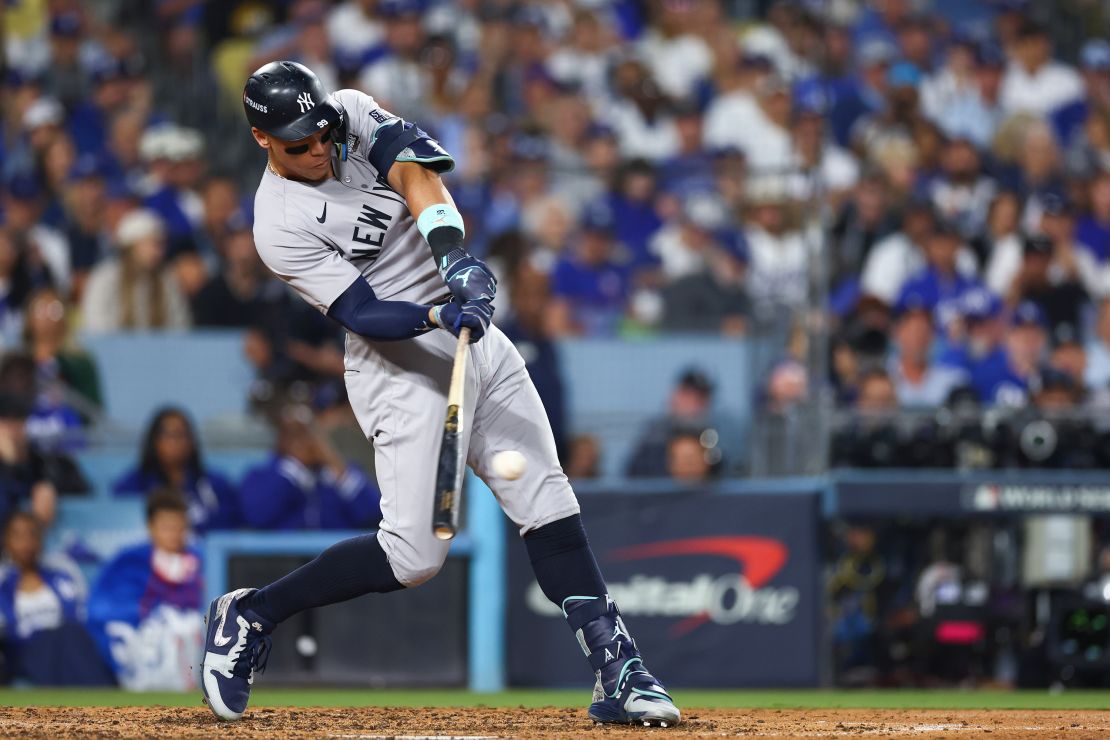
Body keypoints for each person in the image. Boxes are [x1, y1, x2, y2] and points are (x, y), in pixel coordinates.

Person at [201, 62, 680, 727]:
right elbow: (363, 312)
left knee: (548, 499)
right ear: (261, 139)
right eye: (296, 142)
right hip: (396, 364)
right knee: (413, 557)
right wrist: (433, 315)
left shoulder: (350, 112)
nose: (315, 148)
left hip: (474, 335)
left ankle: (620, 668)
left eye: (319, 134)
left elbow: (414, 173)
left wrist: (454, 261)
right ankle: (252, 613)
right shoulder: (277, 225)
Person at [87, 490, 204, 690]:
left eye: (180, 528)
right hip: (141, 639)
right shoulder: (131, 560)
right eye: (167, 527)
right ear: (151, 527)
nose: (175, 535)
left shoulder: (202, 558)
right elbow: (102, 607)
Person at [0, 512, 114, 686]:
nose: (26, 543)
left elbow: (82, 615)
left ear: (41, 539)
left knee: (71, 636)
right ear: (6, 541)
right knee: (52, 642)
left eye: (32, 534)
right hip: (23, 651)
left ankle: (101, 702)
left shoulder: (63, 573)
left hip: (67, 644)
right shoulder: (3, 583)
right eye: (18, 536)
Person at [238, 406, 381, 530]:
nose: (301, 442)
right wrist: (295, 466)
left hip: (338, 557)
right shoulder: (259, 476)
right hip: (284, 560)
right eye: (293, 434)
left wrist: (332, 460)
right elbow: (257, 516)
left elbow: (373, 515)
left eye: (308, 433)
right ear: (280, 439)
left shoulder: (340, 472)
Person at [112, 407, 240, 533]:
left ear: (192, 442)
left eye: (181, 434)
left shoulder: (217, 484)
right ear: (154, 441)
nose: (175, 442)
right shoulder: (134, 484)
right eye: (167, 435)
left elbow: (232, 526)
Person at [80, 209, 192, 333]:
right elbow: (97, 325)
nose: (159, 252)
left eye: (161, 245)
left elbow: (179, 325)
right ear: (132, 246)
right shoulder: (104, 278)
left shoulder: (167, 280)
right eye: (153, 244)